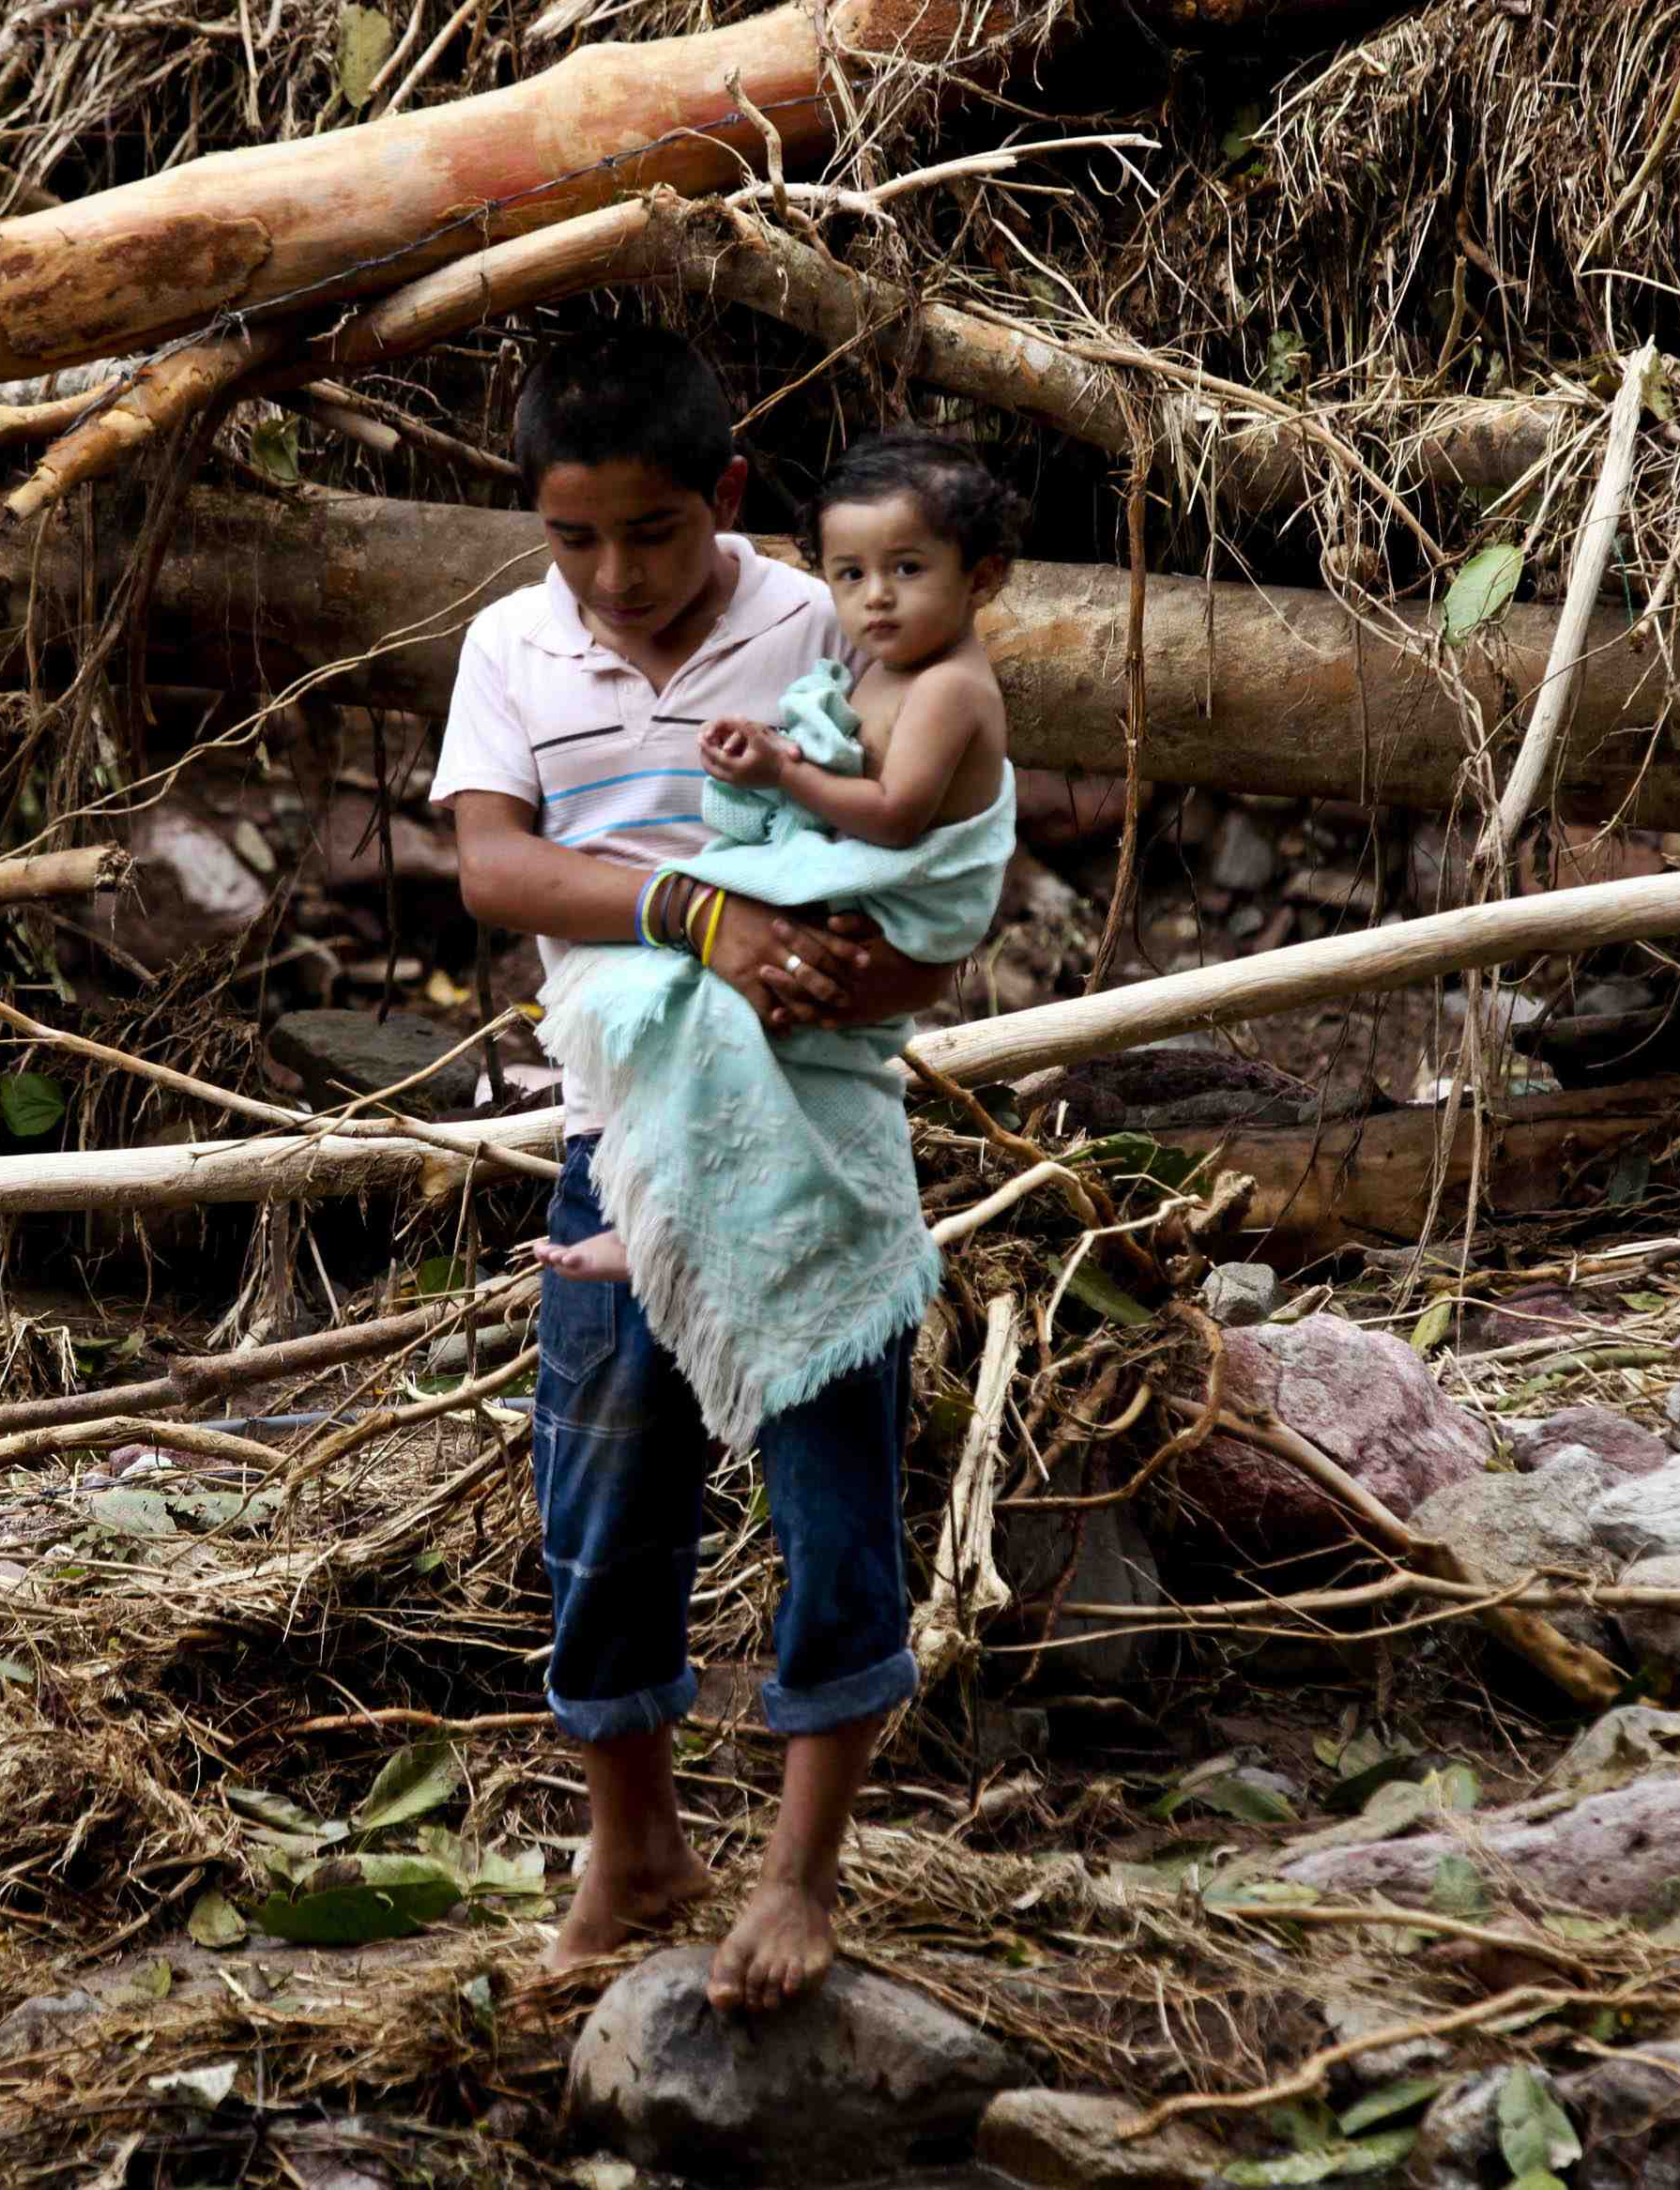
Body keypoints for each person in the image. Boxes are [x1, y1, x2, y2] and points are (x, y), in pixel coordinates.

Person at [431, 327, 965, 2014]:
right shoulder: (513, 646)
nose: (614, 577)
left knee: (830, 1485)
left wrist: (876, 969)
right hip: (617, 1148)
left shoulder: (821, 620)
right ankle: (634, 1845)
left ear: (730, 497)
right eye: (573, 539)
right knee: (605, 1497)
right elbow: (498, 870)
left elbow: (930, 827)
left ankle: (801, 1870)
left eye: (652, 534)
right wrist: (691, 912)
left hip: (809, 1126)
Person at [534, 428, 1020, 1286]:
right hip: (862, 896)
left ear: (980, 577)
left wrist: (783, 773)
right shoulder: (885, 665)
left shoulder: (946, 686)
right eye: (850, 574)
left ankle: (666, 1229)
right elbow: (845, 754)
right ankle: (671, 1221)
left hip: (904, 910)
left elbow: (896, 817)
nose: (876, 599)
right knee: (723, 1024)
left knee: (725, 1026)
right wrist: (770, 748)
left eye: (908, 570)